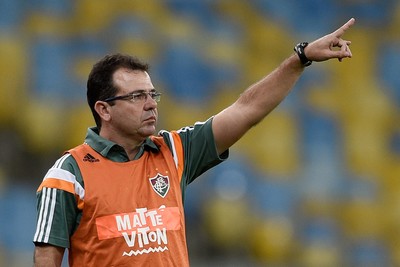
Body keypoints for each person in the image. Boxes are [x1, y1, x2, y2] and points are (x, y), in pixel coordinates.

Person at [33, 18, 355, 266]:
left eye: (151, 93)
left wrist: (300, 58)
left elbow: (246, 109)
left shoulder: (172, 151)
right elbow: (47, 257)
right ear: (104, 109)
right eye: (137, 96)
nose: (151, 103)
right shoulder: (69, 174)